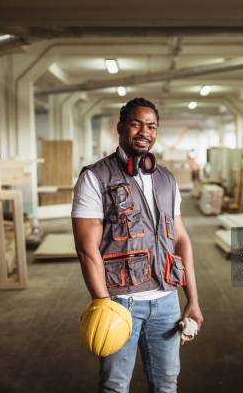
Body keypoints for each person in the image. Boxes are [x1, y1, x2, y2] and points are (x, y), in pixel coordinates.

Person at [71, 97, 203, 393]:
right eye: (136, 124)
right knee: (115, 385)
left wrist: (191, 299)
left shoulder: (166, 179)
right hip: (120, 302)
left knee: (167, 382)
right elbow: (86, 247)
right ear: (121, 127)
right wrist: (102, 303)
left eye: (152, 126)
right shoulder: (95, 177)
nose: (145, 131)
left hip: (167, 301)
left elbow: (180, 238)